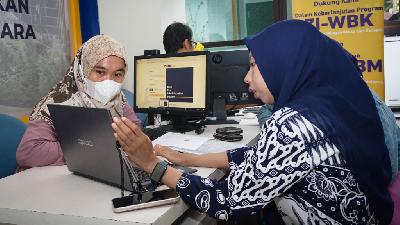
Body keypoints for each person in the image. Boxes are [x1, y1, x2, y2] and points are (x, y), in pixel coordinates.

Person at [112, 20, 394, 224]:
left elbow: (227, 201)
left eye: (254, 65)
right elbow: (263, 158)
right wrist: (185, 158)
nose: (247, 78)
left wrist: (152, 164)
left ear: (285, 64)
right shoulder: (332, 102)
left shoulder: (293, 124)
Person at [16, 35, 141, 171]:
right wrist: (91, 147)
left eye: (117, 74)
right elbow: (30, 151)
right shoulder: (57, 102)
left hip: (93, 172)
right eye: (100, 71)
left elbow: (134, 129)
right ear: (82, 70)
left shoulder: (116, 97)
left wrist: (103, 146)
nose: (108, 81)